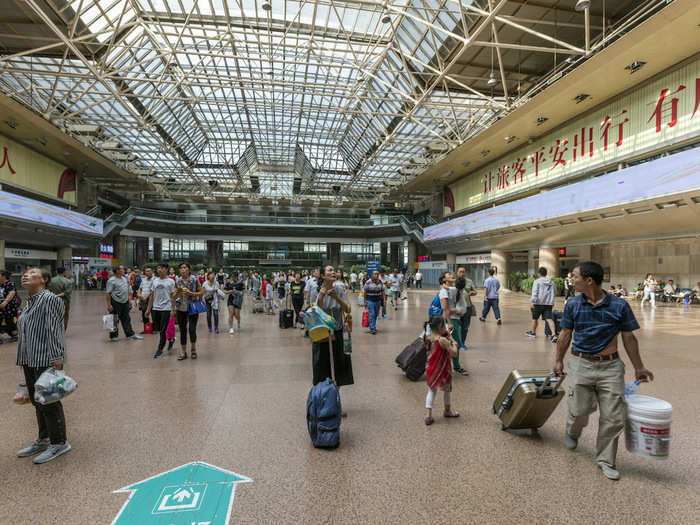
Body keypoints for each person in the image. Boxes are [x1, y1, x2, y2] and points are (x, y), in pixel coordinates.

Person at [554, 261, 654, 481]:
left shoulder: (619, 306)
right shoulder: (573, 304)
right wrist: (559, 360)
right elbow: (565, 334)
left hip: (610, 367)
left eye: (575, 276)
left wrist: (639, 367)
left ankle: (606, 460)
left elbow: (629, 337)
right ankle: (573, 430)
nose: (572, 279)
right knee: (579, 409)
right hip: (581, 363)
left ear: (589, 280)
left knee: (613, 417)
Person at [15, 267, 71, 464]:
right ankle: (44, 439)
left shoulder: (50, 300)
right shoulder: (29, 303)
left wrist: (57, 358)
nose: (25, 275)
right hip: (29, 359)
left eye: (31, 274)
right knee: (37, 401)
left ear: (43, 280)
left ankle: (59, 442)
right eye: (25, 273)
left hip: (45, 359)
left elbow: (55, 330)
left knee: (49, 401)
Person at [312, 265, 353, 416]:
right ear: (322, 275)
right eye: (329, 270)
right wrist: (322, 296)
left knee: (339, 370)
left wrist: (336, 297)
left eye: (334, 270)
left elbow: (348, 309)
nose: (333, 272)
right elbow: (315, 312)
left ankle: (334, 402)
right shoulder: (316, 289)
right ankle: (321, 402)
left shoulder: (340, 288)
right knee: (321, 370)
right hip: (322, 335)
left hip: (339, 333)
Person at [424, 315, 459, 426]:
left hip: (431, 368)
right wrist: (454, 343)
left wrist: (447, 335)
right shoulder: (442, 340)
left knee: (432, 391)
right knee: (447, 390)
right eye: (445, 324)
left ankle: (428, 416)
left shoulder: (428, 337)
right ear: (440, 327)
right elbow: (453, 353)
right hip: (443, 369)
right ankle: (447, 411)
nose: (447, 326)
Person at [145, 263, 176, 358]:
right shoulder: (155, 281)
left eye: (161, 268)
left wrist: (172, 309)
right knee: (159, 329)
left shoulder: (171, 281)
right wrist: (148, 309)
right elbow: (152, 295)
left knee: (162, 330)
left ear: (166, 269)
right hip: (155, 308)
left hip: (166, 308)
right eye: (158, 268)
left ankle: (160, 349)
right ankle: (171, 339)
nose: (159, 270)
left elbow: (173, 296)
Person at [174, 262, 203, 360]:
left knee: (192, 329)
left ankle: (193, 350)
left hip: (192, 307)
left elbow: (202, 292)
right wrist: (177, 292)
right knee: (182, 330)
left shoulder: (194, 279)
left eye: (185, 267)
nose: (183, 269)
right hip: (180, 308)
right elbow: (173, 297)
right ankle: (183, 352)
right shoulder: (177, 281)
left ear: (189, 269)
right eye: (181, 268)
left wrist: (191, 293)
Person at [106, 265, 142, 341]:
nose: (123, 270)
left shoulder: (125, 279)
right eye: (122, 269)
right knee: (114, 319)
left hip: (125, 301)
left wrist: (129, 301)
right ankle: (113, 336)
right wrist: (109, 305)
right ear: (117, 271)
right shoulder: (111, 280)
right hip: (115, 301)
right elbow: (108, 293)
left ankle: (130, 334)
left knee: (126, 318)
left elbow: (127, 291)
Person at [526, 267, 555, 340]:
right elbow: (553, 292)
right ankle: (554, 334)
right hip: (548, 304)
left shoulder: (537, 281)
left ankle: (533, 333)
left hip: (538, 303)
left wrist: (532, 301)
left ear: (539, 273)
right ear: (546, 273)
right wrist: (552, 302)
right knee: (549, 319)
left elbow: (535, 292)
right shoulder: (551, 282)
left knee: (535, 318)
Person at [455, 267, 476, 351]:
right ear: (457, 273)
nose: (462, 273)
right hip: (456, 308)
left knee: (465, 327)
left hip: (467, 307)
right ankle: (456, 342)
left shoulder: (469, 281)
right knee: (457, 327)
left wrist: (472, 292)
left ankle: (462, 343)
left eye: (463, 272)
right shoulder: (454, 281)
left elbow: (475, 291)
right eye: (460, 272)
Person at [47, 267, 73, 331]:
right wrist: (57, 295)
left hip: (52, 301)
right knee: (65, 316)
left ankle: (53, 329)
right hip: (64, 302)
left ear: (56, 272)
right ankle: (63, 331)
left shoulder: (51, 280)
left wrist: (54, 296)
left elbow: (47, 290)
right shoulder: (68, 281)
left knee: (53, 315)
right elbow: (66, 293)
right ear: (64, 272)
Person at [363, 270, 385, 335]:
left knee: (375, 314)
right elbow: (365, 292)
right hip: (370, 300)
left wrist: (384, 300)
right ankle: (372, 328)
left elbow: (383, 291)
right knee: (372, 314)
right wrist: (364, 301)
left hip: (378, 301)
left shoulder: (380, 282)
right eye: (375, 274)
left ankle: (372, 326)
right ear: (372, 275)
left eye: (377, 274)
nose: (376, 275)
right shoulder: (368, 282)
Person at [137, 267, 155, 333]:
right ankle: (146, 329)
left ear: (152, 271)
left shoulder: (155, 279)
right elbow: (140, 288)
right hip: (143, 299)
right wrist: (139, 295)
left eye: (149, 271)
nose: (147, 272)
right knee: (144, 314)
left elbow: (153, 291)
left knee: (153, 314)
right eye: (146, 271)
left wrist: (146, 297)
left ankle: (154, 329)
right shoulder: (143, 279)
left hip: (151, 299)